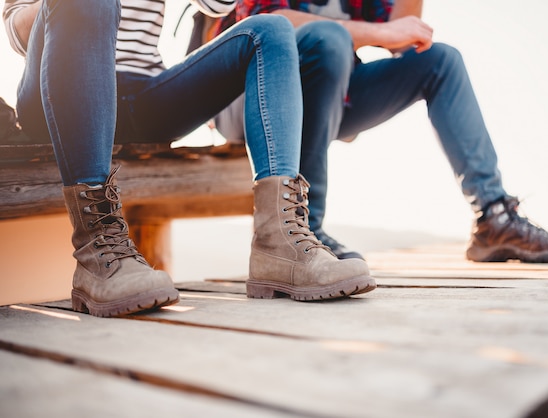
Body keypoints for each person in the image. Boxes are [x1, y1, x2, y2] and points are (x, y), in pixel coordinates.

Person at [2, 0, 375, 317]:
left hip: (142, 92)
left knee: (270, 30)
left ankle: (279, 245)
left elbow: (218, 6)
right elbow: (17, 29)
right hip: (57, 94)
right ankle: (98, 253)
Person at [199, 0, 548, 263]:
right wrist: (376, 33)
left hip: (331, 96)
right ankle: (307, 231)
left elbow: (406, 36)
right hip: (244, 99)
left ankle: (495, 218)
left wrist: (388, 31)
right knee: (331, 39)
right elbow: (271, 25)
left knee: (441, 61)